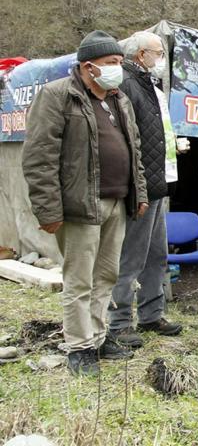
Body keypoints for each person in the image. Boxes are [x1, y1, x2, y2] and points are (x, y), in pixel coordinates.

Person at [23, 30, 148, 376]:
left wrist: (139, 193)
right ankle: (79, 347)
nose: (117, 69)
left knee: (106, 275)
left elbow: (134, 150)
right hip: (80, 204)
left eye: (120, 63)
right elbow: (39, 157)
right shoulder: (57, 96)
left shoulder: (118, 99)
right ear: (88, 67)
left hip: (116, 203)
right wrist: (47, 210)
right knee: (79, 279)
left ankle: (98, 335)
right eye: (111, 63)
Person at [109, 31, 182, 349]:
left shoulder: (150, 85)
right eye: (158, 52)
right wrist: (136, 187)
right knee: (131, 257)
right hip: (140, 187)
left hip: (159, 183)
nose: (161, 59)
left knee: (157, 255)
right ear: (140, 55)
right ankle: (119, 321)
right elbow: (125, 141)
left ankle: (152, 314)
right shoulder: (126, 84)